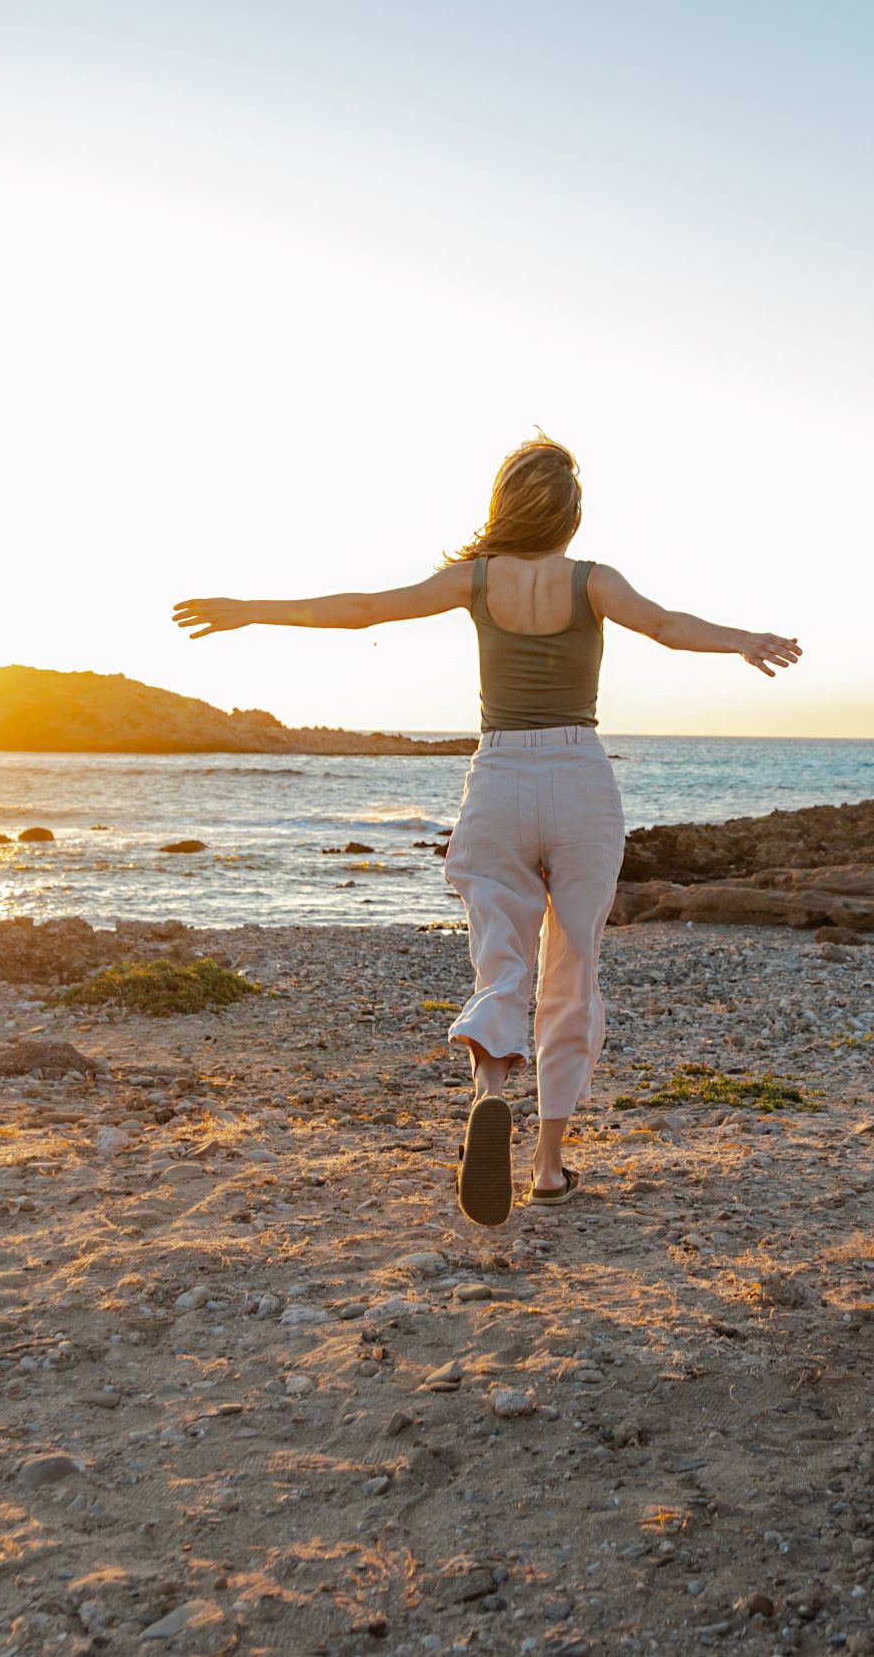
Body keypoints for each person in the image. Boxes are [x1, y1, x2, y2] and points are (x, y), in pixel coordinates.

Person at [171, 435, 801, 1225]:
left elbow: (365, 609)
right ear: (571, 515)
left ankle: (492, 1091)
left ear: (504, 505)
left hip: (500, 777)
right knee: (573, 968)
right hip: (579, 778)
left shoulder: (475, 581)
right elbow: (669, 625)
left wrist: (251, 611)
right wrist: (744, 639)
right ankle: (546, 1168)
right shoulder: (592, 582)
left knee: (501, 957)